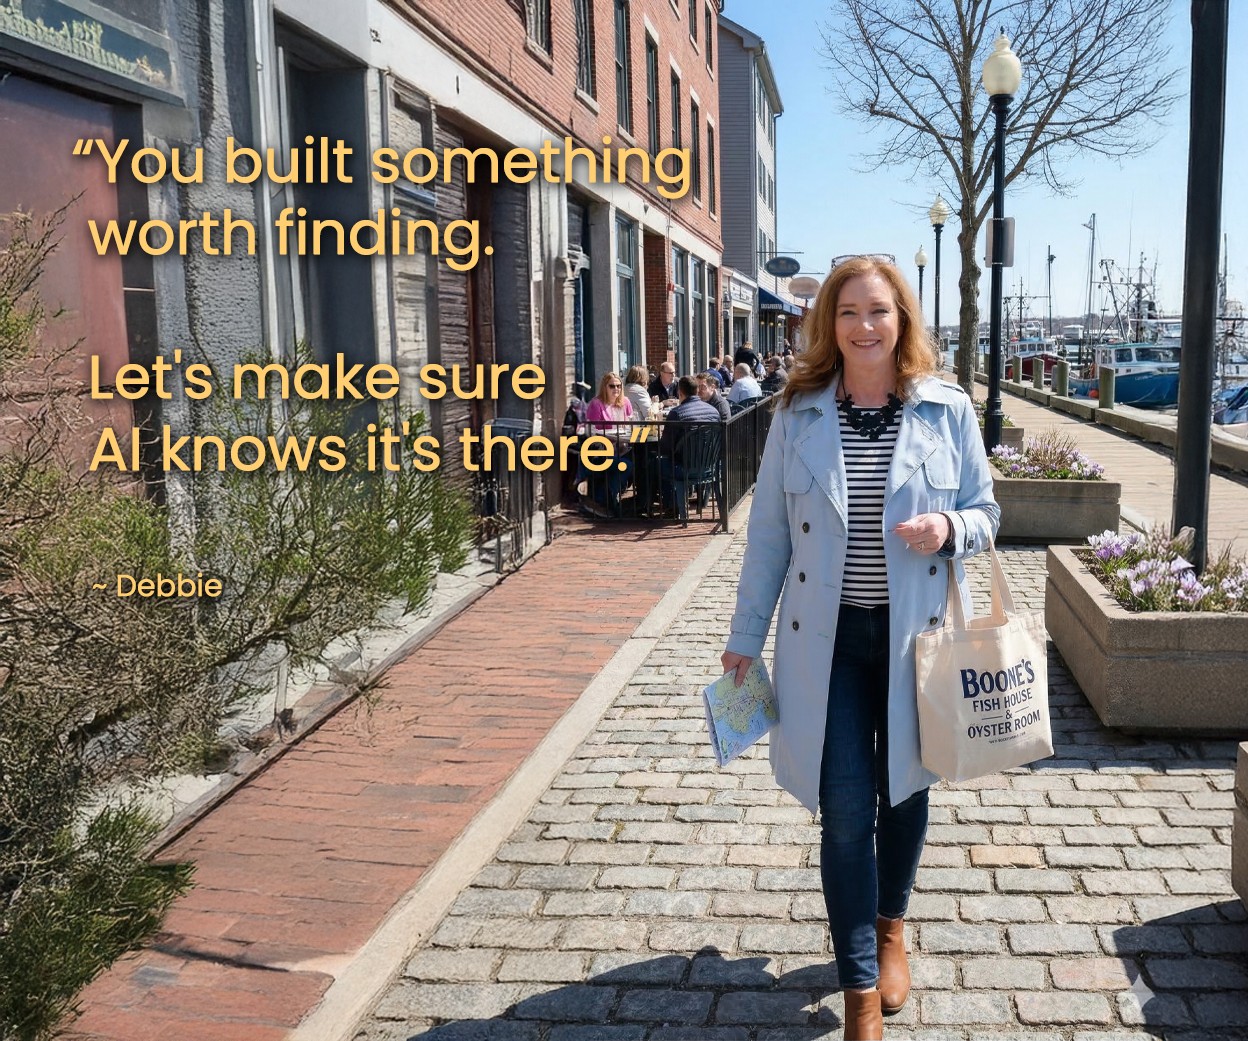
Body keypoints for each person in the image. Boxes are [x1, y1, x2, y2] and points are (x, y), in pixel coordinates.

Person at [719, 258, 999, 1040]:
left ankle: (890, 926)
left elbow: (987, 512)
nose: (864, 326)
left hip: (918, 640)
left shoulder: (946, 410)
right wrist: (744, 637)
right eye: (848, 312)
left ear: (901, 317)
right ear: (829, 324)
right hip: (828, 643)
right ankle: (860, 991)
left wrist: (950, 527)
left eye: (878, 310)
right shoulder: (798, 412)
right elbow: (768, 536)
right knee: (844, 808)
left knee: (904, 790)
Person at [576, 371, 633, 516]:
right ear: (604, 387)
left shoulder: (625, 402)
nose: (616, 389)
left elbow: (630, 425)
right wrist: (611, 435)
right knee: (625, 466)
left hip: (623, 447)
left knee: (640, 462)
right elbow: (591, 431)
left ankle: (612, 499)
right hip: (601, 450)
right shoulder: (596, 404)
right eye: (612, 386)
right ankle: (606, 499)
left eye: (619, 386)